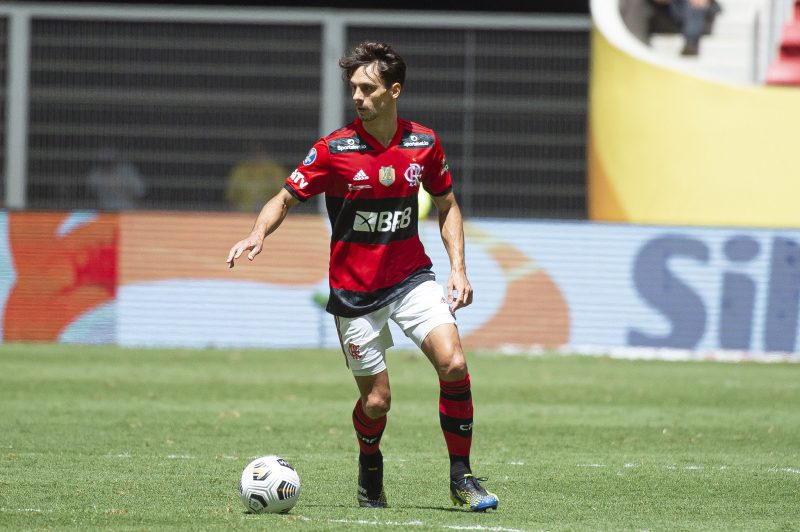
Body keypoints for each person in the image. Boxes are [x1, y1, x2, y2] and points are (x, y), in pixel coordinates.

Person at [226, 41, 499, 512]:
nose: (357, 96)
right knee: (377, 402)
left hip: (412, 277)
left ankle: (462, 477)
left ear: (394, 91)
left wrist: (458, 269)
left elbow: (448, 204)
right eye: (353, 87)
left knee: (454, 365)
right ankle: (369, 464)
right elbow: (285, 197)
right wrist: (257, 232)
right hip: (354, 293)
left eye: (368, 88)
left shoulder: (424, 143)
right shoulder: (333, 150)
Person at [225, 147, 288, 212]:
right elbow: (231, 198)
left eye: (259, 150)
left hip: (269, 214)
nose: (256, 154)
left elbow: (285, 195)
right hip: (243, 214)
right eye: (253, 151)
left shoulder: (275, 170)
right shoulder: (240, 170)